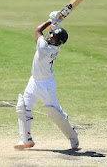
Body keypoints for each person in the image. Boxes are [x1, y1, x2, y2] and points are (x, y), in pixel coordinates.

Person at [14, 11, 79, 150]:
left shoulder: (44, 48)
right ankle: (25, 139)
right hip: (34, 81)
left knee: (54, 113)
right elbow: (49, 33)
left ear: (58, 42)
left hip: (46, 85)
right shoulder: (55, 44)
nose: (50, 37)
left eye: (53, 37)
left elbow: (38, 30)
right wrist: (56, 23)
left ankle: (73, 136)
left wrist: (51, 20)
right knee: (23, 107)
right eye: (51, 35)